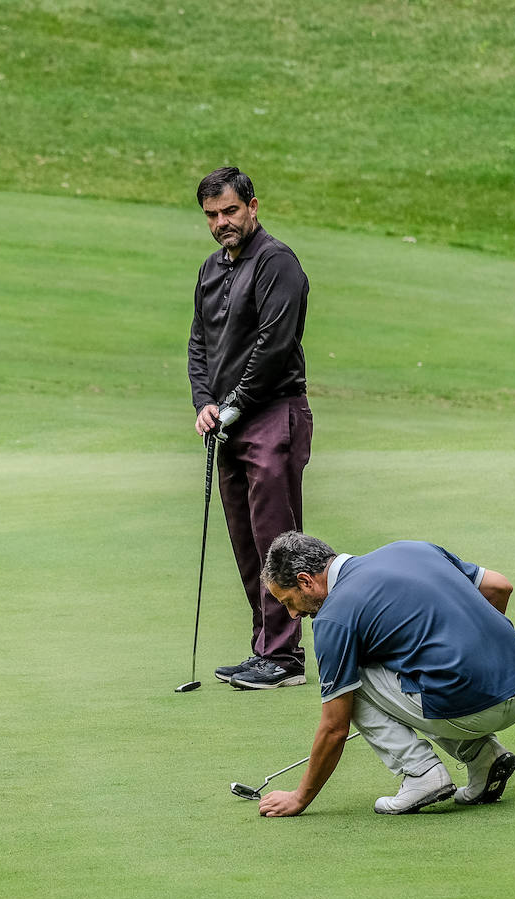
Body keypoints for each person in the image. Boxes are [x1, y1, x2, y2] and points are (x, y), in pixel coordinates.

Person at [255, 531, 515, 817]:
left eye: (288, 601)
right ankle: (484, 757)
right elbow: (500, 587)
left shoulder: (332, 618)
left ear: (305, 581)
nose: (292, 615)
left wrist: (299, 797)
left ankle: (421, 772)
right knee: (415, 670)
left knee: (350, 680)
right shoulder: (413, 548)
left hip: (470, 707)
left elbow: (335, 727)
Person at [187, 167, 313, 690]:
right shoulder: (211, 270)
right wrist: (205, 403)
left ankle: (284, 659)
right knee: (245, 541)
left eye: (230, 211)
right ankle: (265, 648)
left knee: (275, 541)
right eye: (212, 215)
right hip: (229, 424)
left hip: (273, 413)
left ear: (253, 206)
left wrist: (234, 402)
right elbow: (200, 344)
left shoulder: (276, 262)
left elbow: (274, 343)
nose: (222, 222)